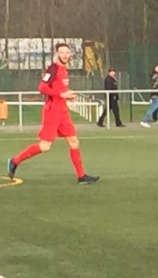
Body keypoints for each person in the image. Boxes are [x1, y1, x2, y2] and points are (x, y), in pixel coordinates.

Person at [7, 43, 99, 185]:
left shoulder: (64, 70)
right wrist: (61, 94)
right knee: (45, 146)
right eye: (62, 52)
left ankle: (81, 177)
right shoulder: (53, 69)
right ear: (57, 54)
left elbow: (59, 89)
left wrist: (68, 95)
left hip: (63, 112)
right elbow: (42, 87)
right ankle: (15, 161)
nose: (65, 55)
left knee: (74, 141)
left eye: (67, 52)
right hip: (52, 112)